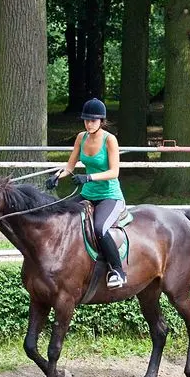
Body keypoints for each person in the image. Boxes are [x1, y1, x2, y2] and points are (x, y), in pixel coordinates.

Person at [47, 98, 128, 289]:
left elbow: (114, 172)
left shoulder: (110, 140)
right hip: (88, 194)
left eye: (93, 120)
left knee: (100, 228)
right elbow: (70, 166)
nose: (89, 123)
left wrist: (88, 177)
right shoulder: (80, 138)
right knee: (59, 213)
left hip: (110, 195)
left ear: (101, 121)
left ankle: (118, 271)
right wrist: (57, 176)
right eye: (86, 120)